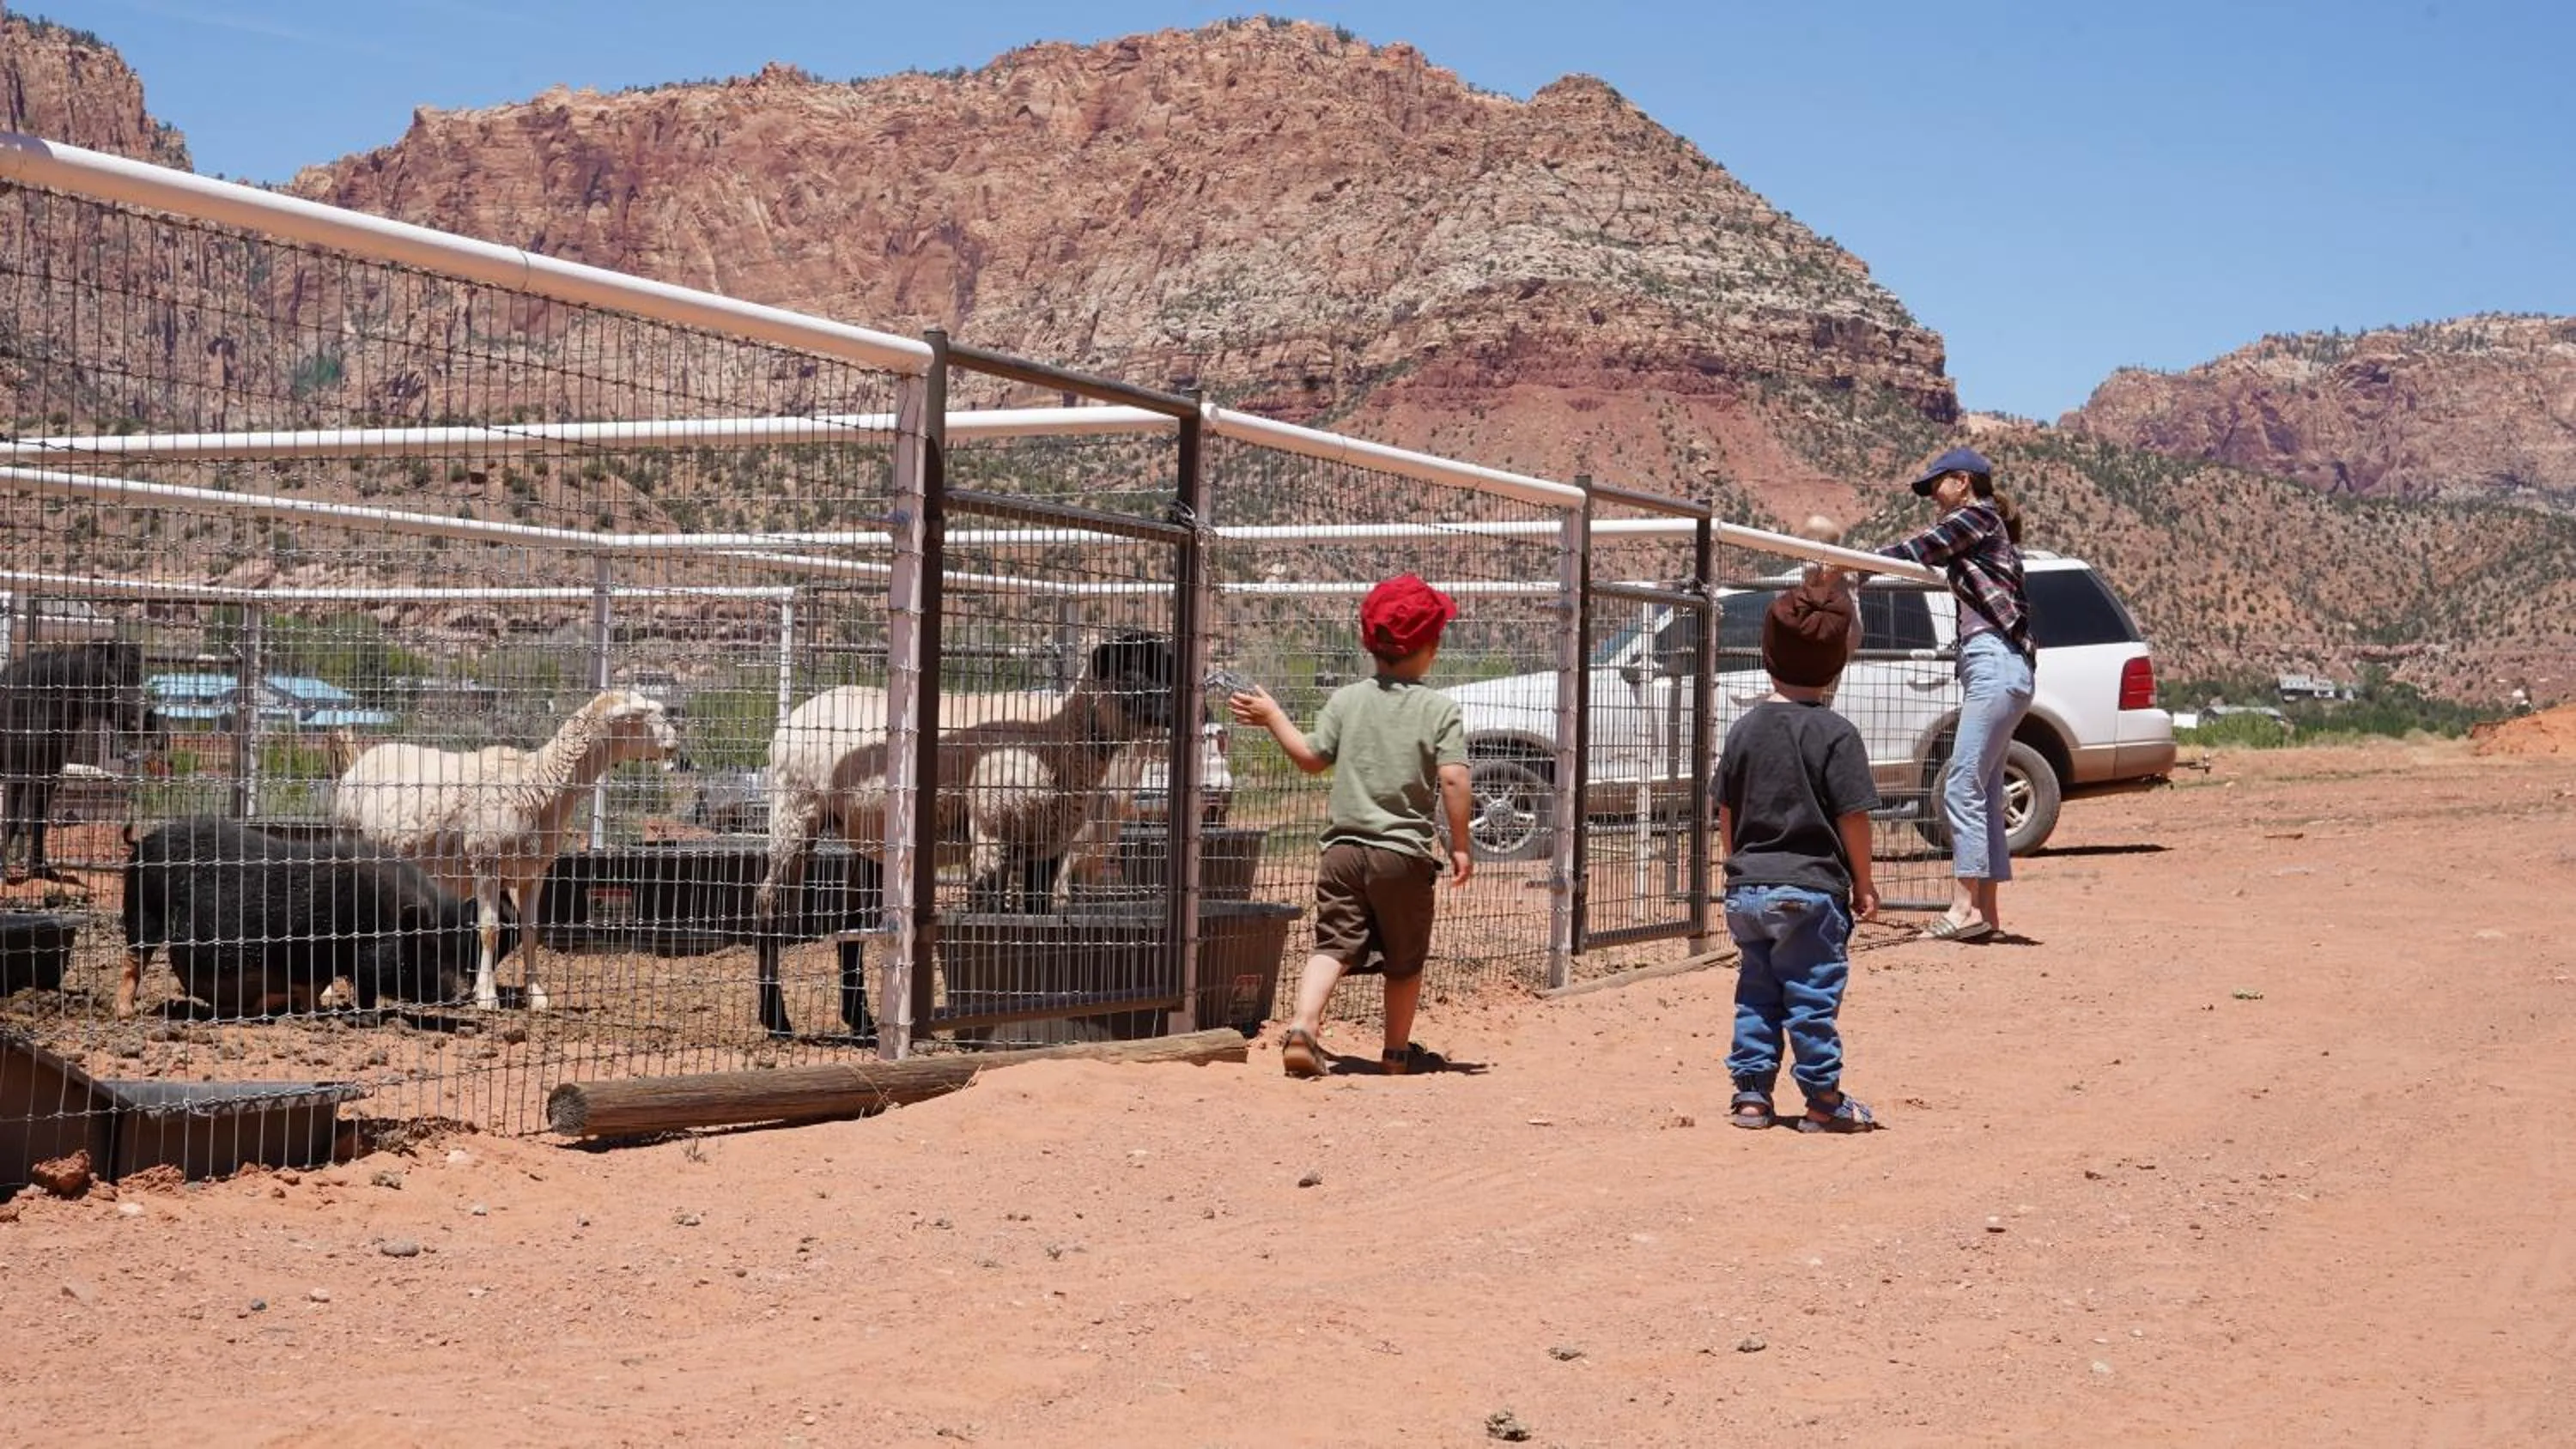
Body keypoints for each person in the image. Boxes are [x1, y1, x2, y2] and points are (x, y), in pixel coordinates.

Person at [1228, 574, 1475, 1077]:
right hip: (1402, 854)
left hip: (1340, 853)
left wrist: (1274, 715)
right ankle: (1396, 1055)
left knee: (1332, 945)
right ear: (1429, 645)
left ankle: (1303, 1027)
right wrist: (1461, 845)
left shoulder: (1345, 701)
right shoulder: (1439, 709)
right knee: (1405, 960)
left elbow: (1311, 759)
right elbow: (1453, 780)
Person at [1719, 579, 1881, 1132]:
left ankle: (1751, 1098)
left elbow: (1727, 811)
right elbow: (1853, 817)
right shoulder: (1837, 734)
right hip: (1811, 892)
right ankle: (1823, 1100)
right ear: (1838, 663)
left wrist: (1738, 865)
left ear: (1766, 656)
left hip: (1748, 890)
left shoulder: (1744, 730)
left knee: (1757, 992)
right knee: (1811, 995)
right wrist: (1863, 883)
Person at [1877, 446, 2032, 943]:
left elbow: (1919, 549)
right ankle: (1986, 911)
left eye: (1936, 485)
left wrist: (1850, 563)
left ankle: (1963, 908)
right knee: (1982, 790)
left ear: (1962, 481)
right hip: (2002, 666)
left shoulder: (1976, 518)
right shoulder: (1988, 525)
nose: (1932, 498)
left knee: (1961, 785)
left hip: (1993, 661)